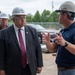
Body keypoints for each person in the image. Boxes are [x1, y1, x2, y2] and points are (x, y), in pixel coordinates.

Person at [0, 7, 43, 75]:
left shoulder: (32, 31)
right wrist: (1, 69)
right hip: (12, 69)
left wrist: (39, 64)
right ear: (14, 19)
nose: (23, 20)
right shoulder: (4, 33)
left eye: (24, 17)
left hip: (29, 68)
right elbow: (1, 52)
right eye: (20, 18)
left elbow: (38, 48)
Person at [42, 1, 75, 75]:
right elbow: (52, 49)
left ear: (65, 15)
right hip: (60, 70)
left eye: (59, 14)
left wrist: (65, 43)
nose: (58, 16)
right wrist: (48, 42)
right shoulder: (62, 31)